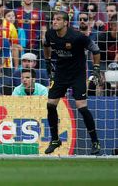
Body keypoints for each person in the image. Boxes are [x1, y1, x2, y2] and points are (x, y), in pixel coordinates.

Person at [44, 11, 102, 155]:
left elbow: (95, 50)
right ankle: (55, 140)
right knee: (50, 105)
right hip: (61, 74)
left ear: (65, 23)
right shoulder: (50, 34)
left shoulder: (77, 37)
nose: (54, 22)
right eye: (53, 19)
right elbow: (46, 45)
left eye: (58, 20)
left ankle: (95, 142)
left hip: (77, 75)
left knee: (81, 107)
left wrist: (96, 69)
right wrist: (48, 61)